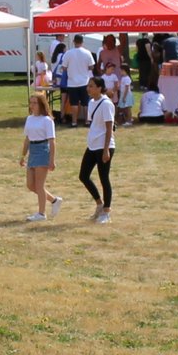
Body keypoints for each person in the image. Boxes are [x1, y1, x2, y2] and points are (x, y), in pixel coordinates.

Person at [79, 74, 116, 221]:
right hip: (93, 144)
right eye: (88, 86)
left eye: (91, 86)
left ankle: (106, 211)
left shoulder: (106, 104)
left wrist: (106, 149)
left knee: (103, 177)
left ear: (99, 88)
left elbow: (109, 128)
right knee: (83, 176)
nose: (88, 88)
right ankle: (99, 204)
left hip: (103, 145)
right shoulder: (91, 102)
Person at [21, 89, 60, 219]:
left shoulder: (47, 120)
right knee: (30, 185)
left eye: (35, 103)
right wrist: (23, 155)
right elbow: (27, 139)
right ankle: (54, 200)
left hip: (43, 150)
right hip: (33, 150)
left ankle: (41, 213)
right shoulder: (29, 119)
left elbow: (52, 141)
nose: (32, 105)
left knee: (39, 184)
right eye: (30, 103)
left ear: (41, 105)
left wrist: (52, 160)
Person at [58, 36, 95, 125]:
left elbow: (64, 67)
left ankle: (74, 122)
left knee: (74, 103)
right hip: (84, 82)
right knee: (85, 103)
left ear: (74, 41)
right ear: (82, 42)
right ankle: (87, 121)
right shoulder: (87, 52)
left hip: (72, 82)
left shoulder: (68, 53)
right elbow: (91, 67)